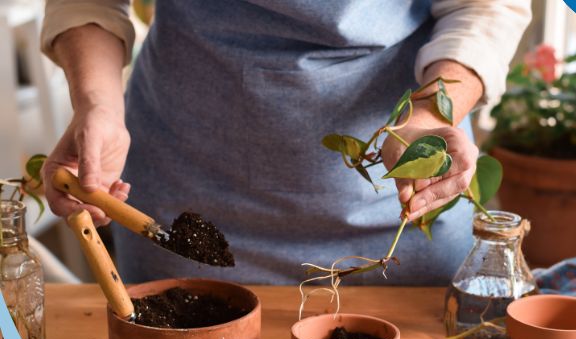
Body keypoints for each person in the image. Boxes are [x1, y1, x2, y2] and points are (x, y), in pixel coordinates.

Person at [40, 0, 531, 285]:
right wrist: (97, 105)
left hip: (388, 208)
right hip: (184, 187)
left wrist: (425, 116)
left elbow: (484, 5)